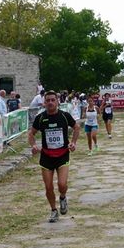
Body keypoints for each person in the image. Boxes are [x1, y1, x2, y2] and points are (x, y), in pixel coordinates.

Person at [28, 90, 80, 223]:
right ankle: (53, 210)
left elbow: (77, 127)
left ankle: (63, 197)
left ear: (57, 101)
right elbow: (31, 133)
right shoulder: (41, 118)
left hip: (62, 155)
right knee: (48, 187)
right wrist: (34, 145)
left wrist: (73, 142)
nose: (50, 102)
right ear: (44, 103)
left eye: (53, 100)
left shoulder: (64, 116)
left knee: (62, 184)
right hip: (46, 157)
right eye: (48, 100)